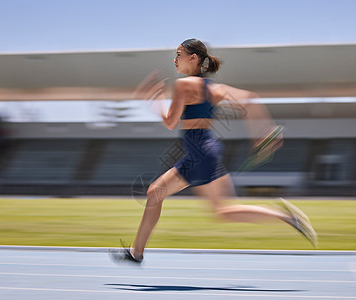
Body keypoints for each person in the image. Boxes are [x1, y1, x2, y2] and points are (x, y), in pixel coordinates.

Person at [111, 38, 317, 264]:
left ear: (194, 58)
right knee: (216, 209)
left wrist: (157, 100)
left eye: (179, 54)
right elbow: (250, 99)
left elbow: (170, 122)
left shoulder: (183, 85)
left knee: (158, 193)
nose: (175, 59)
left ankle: (136, 253)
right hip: (205, 150)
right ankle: (288, 217)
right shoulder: (214, 88)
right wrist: (264, 132)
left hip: (199, 152)